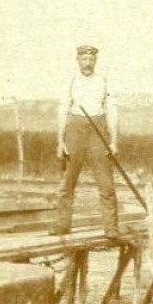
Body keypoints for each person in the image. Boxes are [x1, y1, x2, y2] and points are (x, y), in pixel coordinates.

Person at [53, 44, 124, 241]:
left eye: (91, 59)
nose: (87, 63)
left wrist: (114, 141)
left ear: (95, 61)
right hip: (75, 130)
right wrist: (60, 141)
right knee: (67, 182)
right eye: (84, 59)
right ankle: (62, 224)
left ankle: (110, 228)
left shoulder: (104, 81)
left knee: (106, 184)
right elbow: (62, 111)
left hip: (97, 131)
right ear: (78, 60)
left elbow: (112, 111)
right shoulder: (71, 81)